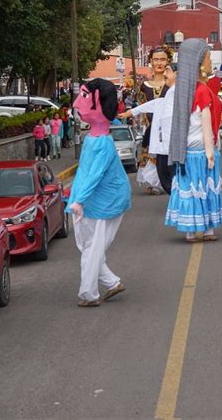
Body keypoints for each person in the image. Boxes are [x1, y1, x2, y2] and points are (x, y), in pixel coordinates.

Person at [67, 78, 131, 307]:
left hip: (104, 202)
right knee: (88, 247)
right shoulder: (93, 139)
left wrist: (79, 199)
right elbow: (85, 172)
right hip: (89, 200)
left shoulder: (103, 142)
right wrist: (75, 195)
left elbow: (94, 175)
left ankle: (88, 294)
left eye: (84, 96)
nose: (77, 103)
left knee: (91, 249)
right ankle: (112, 282)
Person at [165, 39, 222, 242]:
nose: (210, 61)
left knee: (190, 190)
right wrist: (210, 151)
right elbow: (205, 124)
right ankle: (206, 229)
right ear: (199, 63)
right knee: (205, 190)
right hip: (201, 152)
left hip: (186, 152)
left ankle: (192, 229)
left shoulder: (182, 90)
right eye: (207, 57)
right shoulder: (201, 90)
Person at [121, 63, 178, 194]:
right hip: (162, 147)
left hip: (172, 148)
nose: (164, 73)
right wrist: (129, 113)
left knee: (174, 182)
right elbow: (150, 105)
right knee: (168, 181)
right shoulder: (165, 97)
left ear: (178, 74)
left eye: (167, 71)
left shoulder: (179, 92)